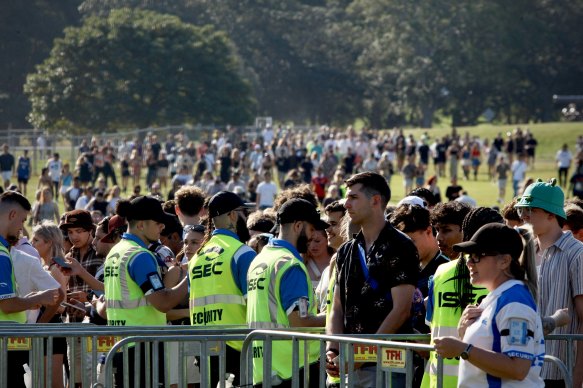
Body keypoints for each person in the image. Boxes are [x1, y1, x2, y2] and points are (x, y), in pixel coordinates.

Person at [326, 172, 418, 387]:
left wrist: (361, 355)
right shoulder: (345, 250)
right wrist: (332, 349)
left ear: (375, 200)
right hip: (349, 364)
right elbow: (337, 308)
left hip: (388, 365)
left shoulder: (401, 246)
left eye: (353, 197)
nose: (346, 204)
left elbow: (401, 310)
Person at [434, 223, 545, 387]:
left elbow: (518, 368)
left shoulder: (515, 302)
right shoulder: (498, 297)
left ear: (504, 261)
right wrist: (464, 333)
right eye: (469, 256)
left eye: (477, 256)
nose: (469, 263)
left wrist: (464, 349)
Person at [104, 196, 189, 387]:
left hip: (122, 344)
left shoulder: (116, 252)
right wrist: (190, 277)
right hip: (142, 346)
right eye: (158, 223)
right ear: (141, 225)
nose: (162, 227)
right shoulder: (140, 255)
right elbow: (163, 302)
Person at [247, 198, 328, 387]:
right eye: (311, 229)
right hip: (294, 368)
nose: (312, 236)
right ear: (298, 226)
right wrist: (331, 317)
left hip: (263, 368)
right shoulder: (289, 264)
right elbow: (298, 321)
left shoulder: (260, 260)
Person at [515, 179, 583, 387]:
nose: (524, 216)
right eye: (522, 210)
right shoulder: (524, 252)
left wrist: (577, 378)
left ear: (551, 214)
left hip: (560, 372)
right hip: (522, 369)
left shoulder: (577, 254)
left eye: (531, 210)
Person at [188, 191, 256, 387]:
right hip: (238, 345)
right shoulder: (242, 253)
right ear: (233, 215)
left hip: (204, 345)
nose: (247, 218)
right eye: (244, 213)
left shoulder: (197, 257)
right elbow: (254, 303)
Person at [0, 191, 59, 387]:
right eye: (23, 220)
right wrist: (38, 298)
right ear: (12, 215)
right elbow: (7, 304)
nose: (22, 229)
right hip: (5, 346)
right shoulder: (1, 254)